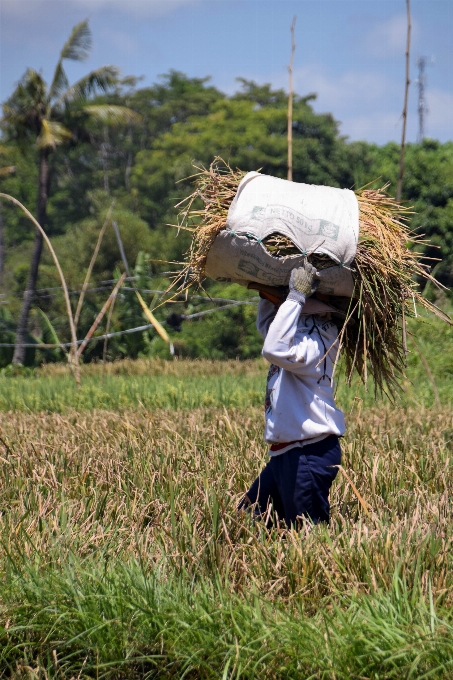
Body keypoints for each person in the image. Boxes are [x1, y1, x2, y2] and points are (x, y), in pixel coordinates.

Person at [239, 260, 346, 529]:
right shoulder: (304, 331)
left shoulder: (320, 338)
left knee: (307, 541)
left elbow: (273, 348)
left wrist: (295, 297)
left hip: (308, 453)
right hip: (286, 454)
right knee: (248, 520)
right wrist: (269, 292)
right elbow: (269, 332)